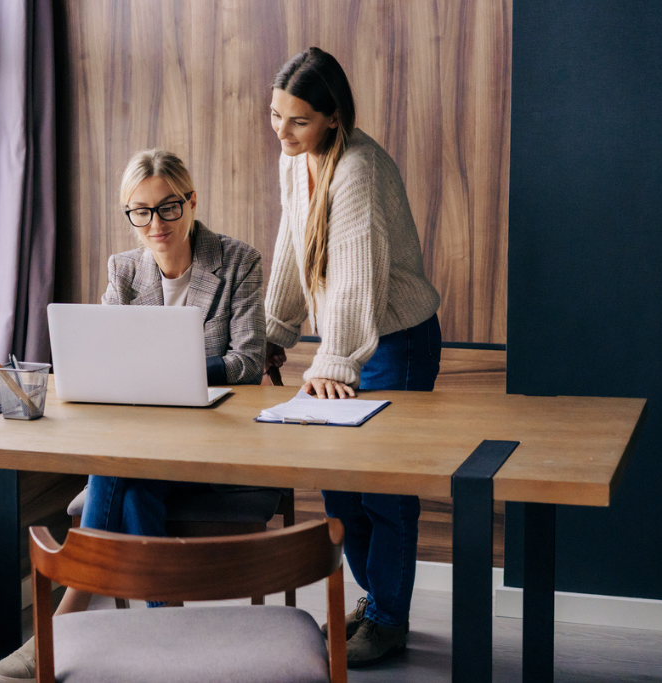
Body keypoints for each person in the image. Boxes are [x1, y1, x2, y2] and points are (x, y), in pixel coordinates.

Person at [0, 149, 265, 683]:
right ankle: (166, 629)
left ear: (191, 202)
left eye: (167, 208)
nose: (154, 224)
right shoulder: (125, 269)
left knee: (116, 469)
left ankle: (69, 611)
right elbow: (105, 353)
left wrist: (181, 364)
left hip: (211, 440)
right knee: (133, 484)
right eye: (139, 211)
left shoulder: (238, 262)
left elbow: (249, 362)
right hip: (141, 440)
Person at [264, 47, 442, 667]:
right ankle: (377, 599)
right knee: (339, 488)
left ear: (334, 117)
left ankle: (389, 617)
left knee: (384, 493)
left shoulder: (358, 169)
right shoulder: (298, 159)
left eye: (298, 121)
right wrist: (275, 330)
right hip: (346, 341)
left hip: (394, 341)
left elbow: (355, 278)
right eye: (276, 116)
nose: (282, 132)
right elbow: (292, 243)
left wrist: (334, 360)